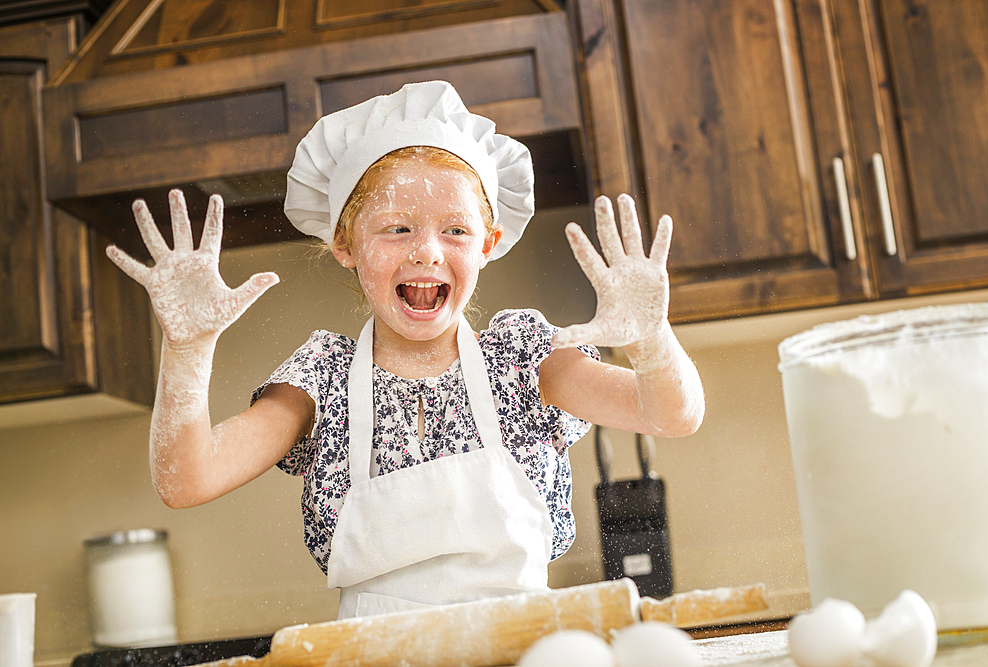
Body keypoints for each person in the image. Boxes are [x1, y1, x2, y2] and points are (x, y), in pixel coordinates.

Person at [106, 81, 704, 619]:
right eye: (396, 228)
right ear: (345, 244)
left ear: (489, 243)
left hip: (523, 651)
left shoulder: (525, 357)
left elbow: (672, 414)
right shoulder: (324, 378)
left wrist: (651, 342)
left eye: (456, 229)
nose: (427, 252)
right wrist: (187, 350)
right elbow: (185, 480)